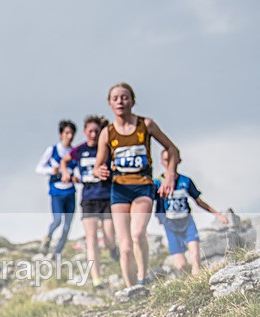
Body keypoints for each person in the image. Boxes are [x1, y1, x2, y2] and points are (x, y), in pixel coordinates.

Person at [94, 82, 181, 287]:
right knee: (124, 247)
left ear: (133, 101)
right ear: (109, 104)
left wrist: (170, 175)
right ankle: (131, 289)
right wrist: (99, 170)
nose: (120, 101)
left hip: (142, 187)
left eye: (124, 97)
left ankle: (143, 278)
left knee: (137, 233)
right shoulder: (107, 133)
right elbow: (97, 165)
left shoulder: (146, 125)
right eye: (115, 98)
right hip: (119, 190)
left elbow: (173, 149)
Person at [59, 115, 118, 289]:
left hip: (107, 197)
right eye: (90, 131)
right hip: (89, 199)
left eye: (96, 131)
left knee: (109, 238)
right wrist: (65, 173)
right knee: (91, 239)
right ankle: (97, 279)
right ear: (85, 132)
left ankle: (113, 250)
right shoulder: (79, 150)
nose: (93, 134)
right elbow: (65, 161)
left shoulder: (106, 149)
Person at [154, 150, 229, 275]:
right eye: (166, 160)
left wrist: (218, 215)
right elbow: (146, 203)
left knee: (195, 257)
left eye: (172, 159)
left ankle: (197, 282)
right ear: (162, 162)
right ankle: (185, 285)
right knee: (181, 264)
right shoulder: (156, 183)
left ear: (179, 160)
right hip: (170, 226)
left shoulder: (186, 181)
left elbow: (198, 201)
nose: (169, 163)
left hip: (187, 222)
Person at [35, 120, 77, 257]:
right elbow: (39, 168)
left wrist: (76, 177)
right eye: (67, 133)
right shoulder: (52, 150)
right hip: (57, 191)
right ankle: (47, 238)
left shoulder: (75, 152)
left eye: (72, 133)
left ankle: (56, 253)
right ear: (61, 134)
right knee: (57, 220)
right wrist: (52, 171)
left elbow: (79, 170)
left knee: (67, 226)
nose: (69, 136)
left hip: (70, 191)